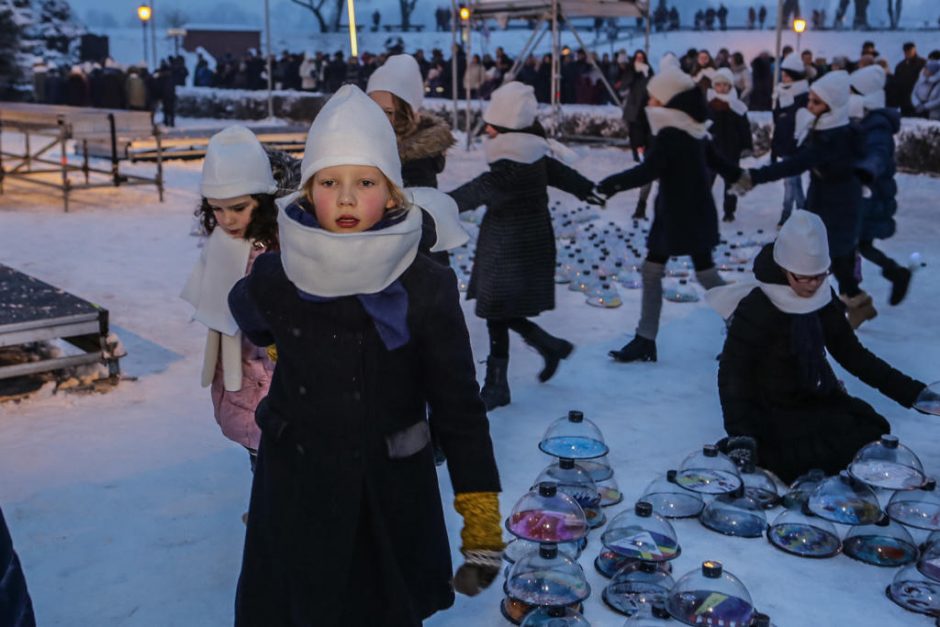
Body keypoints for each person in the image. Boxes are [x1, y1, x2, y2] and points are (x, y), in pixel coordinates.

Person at [229, 85, 502, 626]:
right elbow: (246, 307)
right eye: (330, 182)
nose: (348, 198)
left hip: (387, 500)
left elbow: (459, 407)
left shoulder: (424, 283)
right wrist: (286, 344)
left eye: (366, 181)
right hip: (296, 497)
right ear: (309, 190)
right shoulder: (278, 274)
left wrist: (481, 520)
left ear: (393, 192)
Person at [709, 210, 933, 483]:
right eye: (803, 277)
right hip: (769, 410)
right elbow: (733, 374)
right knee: (800, 458)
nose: (813, 284)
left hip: (809, 400)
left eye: (819, 275)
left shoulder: (823, 299)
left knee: (872, 430)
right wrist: (740, 435)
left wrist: (915, 393)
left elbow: (854, 356)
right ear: (784, 269)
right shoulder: (758, 307)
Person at [447, 82, 602, 409]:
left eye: (492, 123)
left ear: (507, 129)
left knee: (496, 311)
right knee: (500, 311)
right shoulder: (531, 156)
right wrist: (590, 190)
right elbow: (563, 175)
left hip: (508, 246)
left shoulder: (510, 167)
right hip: (524, 242)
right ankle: (547, 346)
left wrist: (436, 205)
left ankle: (498, 385)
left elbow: (477, 191)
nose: (486, 127)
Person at [598, 66, 742, 363]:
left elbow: (646, 171)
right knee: (700, 273)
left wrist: (608, 186)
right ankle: (648, 338)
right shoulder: (695, 131)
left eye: (653, 99)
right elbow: (720, 163)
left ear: (668, 103)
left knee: (670, 273)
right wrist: (742, 177)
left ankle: (741, 331)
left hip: (677, 217)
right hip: (693, 214)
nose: (649, 103)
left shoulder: (671, 135)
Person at [181, 127, 280, 485]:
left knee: (279, 469)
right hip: (238, 386)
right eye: (216, 209)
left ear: (262, 199)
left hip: (273, 389)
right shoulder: (223, 245)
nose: (226, 219)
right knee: (260, 464)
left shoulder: (279, 252)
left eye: (238, 208)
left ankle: (276, 526)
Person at [739, 70, 874, 327]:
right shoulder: (826, 129)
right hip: (826, 200)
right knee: (836, 258)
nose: (809, 106)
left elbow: (797, 163)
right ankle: (855, 304)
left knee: (817, 258)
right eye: (810, 99)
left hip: (837, 206)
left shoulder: (834, 137)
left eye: (815, 102)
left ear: (831, 107)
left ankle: (816, 314)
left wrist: (754, 176)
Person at [367, 54, 457, 266]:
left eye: (388, 111)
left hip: (412, 262)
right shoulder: (372, 145)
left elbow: (420, 225)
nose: (378, 117)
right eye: (372, 108)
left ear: (406, 112)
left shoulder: (417, 162)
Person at [849, 65, 913, 306]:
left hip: (870, 195)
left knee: (850, 245)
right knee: (861, 245)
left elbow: (878, 154)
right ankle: (894, 273)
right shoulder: (865, 121)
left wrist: (865, 172)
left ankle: (852, 294)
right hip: (867, 192)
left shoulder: (877, 126)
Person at [707, 68, 753, 222]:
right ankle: (702, 208)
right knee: (706, 180)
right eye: (718, 85)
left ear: (731, 86)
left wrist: (746, 146)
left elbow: (744, 128)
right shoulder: (709, 104)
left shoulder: (737, 106)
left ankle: (729, 211)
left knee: (731, 181)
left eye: (725, 85)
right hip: (711, 149)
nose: (721, 88)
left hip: (731, 149)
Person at [771, 53, 810, 226]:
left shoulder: (802, 96)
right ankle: (802, 213)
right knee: (795, 182)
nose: (783, 78)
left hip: (796, 145)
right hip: (785, 143)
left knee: (791, 182)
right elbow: (778, 121)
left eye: (786, 75)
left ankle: (788, 215)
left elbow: (800, 121)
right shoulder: (782, 94)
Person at [619, 50, 655, 219]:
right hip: (637, 116)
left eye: (642, 58)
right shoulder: (631, 72)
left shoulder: (650, 73)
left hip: (648, 121)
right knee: (647, 168)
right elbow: (624, 85)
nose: (640, 60)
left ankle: (643, 206)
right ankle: (641, 206)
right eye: (638, 57)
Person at [895, 42, 926, 116]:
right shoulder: (900, 66)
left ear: (914, 50)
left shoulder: (923, 63)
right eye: (906, 51)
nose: (908, 53)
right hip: (903, 97)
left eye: (910, 51)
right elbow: (896, 81)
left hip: (917, 96)